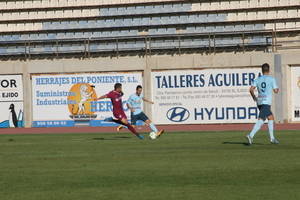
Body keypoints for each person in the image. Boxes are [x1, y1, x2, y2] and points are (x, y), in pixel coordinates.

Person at [246, 63, 280, 145]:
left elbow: (251, 89)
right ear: (269, 70)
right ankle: (251, 135)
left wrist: (254, 97)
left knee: (271, 118)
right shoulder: (271, 79)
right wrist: (276, 88)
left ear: (262, 70)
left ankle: (272, 138)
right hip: (266, 102)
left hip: (259, 101)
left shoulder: (257, 79)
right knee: (261, 119)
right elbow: (276, 91)